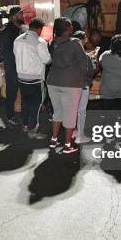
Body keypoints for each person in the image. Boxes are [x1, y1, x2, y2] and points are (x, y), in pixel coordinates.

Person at [46, 17, 90, 154]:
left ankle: (54, 140)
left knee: (57, 112)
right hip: (70, 83)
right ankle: (67, 145)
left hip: (53, 82)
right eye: (71, 25)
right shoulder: (76, 43)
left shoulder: (53, 43)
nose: (73, 28)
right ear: (67, 28)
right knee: (70, 114)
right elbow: (84, 65)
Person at [14, 17, 51, 139]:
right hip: (35, 79)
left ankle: (25, 125)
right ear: (39, 29)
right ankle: (32, 130)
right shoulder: (39, 42)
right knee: (36, 105)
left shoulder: (18, 39)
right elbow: (46, 60)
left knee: (25, 102)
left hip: (21, 78)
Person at [0, 6, 24, 126]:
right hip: (13, 66)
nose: (22, 16)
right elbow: (6, 51)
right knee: (12, 91)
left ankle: (14, 114)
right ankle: (10, 115)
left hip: (19, 66)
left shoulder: (18, 28)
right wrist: (11, 66)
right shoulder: (8, 31)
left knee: (17, 91)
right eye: (20, 14)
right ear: (14, 16)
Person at [71, 30, 98, 144]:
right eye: (85, 38)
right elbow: (91, 72)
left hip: (70, 85)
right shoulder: (83, 55)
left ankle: (73, 131)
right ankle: (80, 136)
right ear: (80, 40)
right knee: (81, 111)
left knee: (73, 109)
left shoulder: (69, 52)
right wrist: (93, 60)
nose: (86, 40)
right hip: (82, 85)